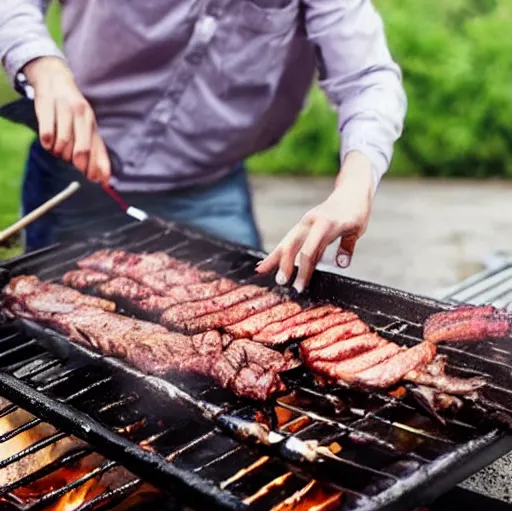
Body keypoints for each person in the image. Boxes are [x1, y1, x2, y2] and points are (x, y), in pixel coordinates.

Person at [0, 0, 406, 292]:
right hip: (76, 176)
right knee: (43, 327)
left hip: (211, 189)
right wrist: (42, 66)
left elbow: (368, 78)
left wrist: (355, 186)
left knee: (248, 313)